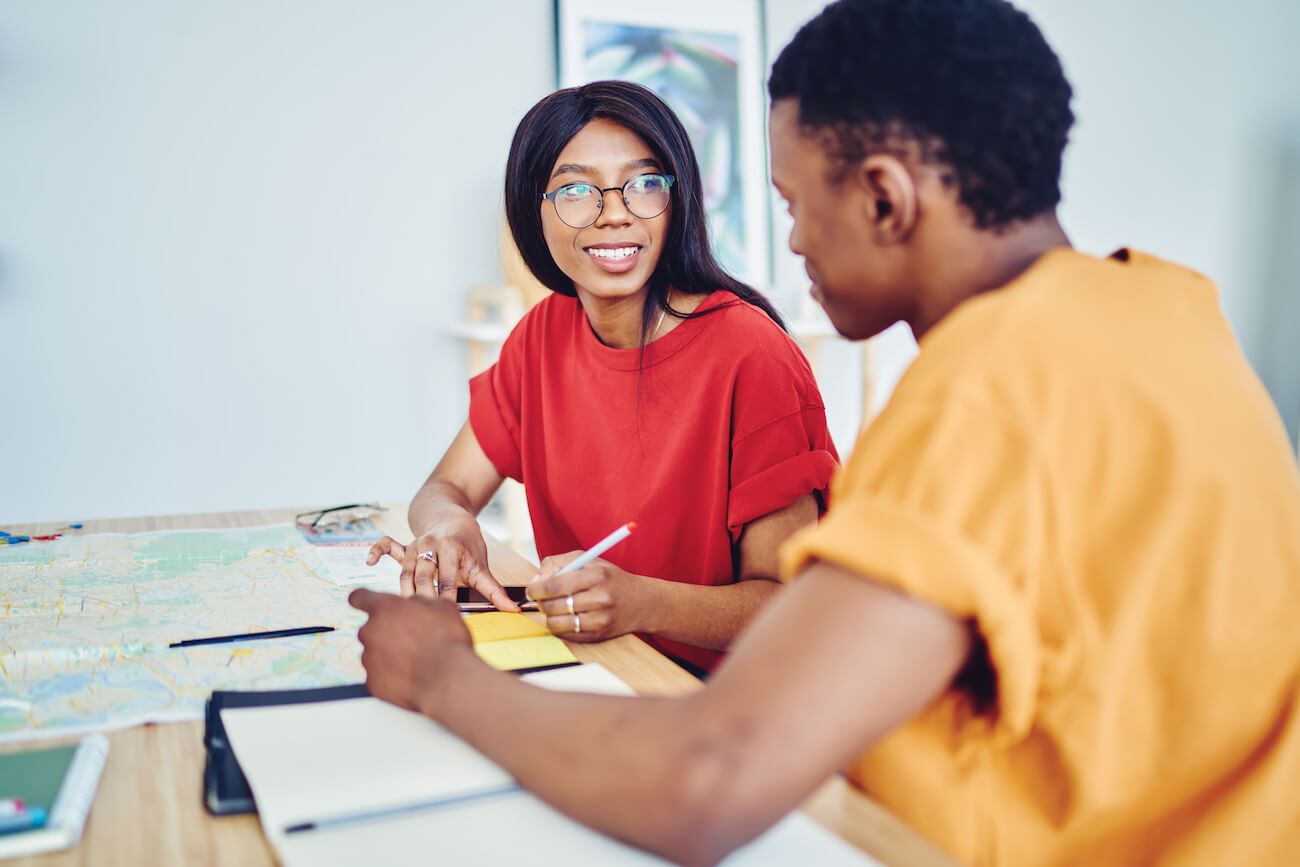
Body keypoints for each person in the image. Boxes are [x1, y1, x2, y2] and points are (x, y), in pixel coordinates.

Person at [350, 0, 1300, 864]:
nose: (793, 242)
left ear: (885, 199)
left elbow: (706, 780)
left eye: (798, 203)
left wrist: (439, 674)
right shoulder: (1166, 309)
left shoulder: (985, 395)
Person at [367, 80, 838, 674]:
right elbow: (444, 488)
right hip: (595, 670)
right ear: (531, 211)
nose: (614, 213)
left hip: (720, 703)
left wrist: (644, 603)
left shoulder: (752, 354)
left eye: (644, 184)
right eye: (575, 190)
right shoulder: (540, 337)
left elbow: (791, 608)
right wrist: (452, 526)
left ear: (678, 199)